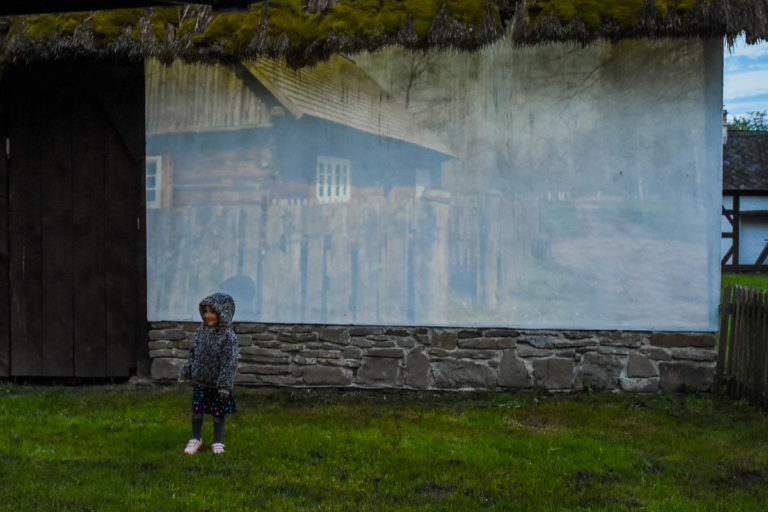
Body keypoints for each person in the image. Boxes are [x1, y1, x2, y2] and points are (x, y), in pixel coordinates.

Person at [177, 292, 239, 455]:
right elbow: (193, 355)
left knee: (218, 413)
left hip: (219, 385)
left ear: (222, 313)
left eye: (212, 311)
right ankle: (196, 438)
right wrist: (186, 372)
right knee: (197, 410)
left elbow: (229, 362)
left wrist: (225, 385)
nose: (207, 315)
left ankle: (217, 441)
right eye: (205, 311)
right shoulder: (200, 333)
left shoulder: (228, 337)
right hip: (201, 382)